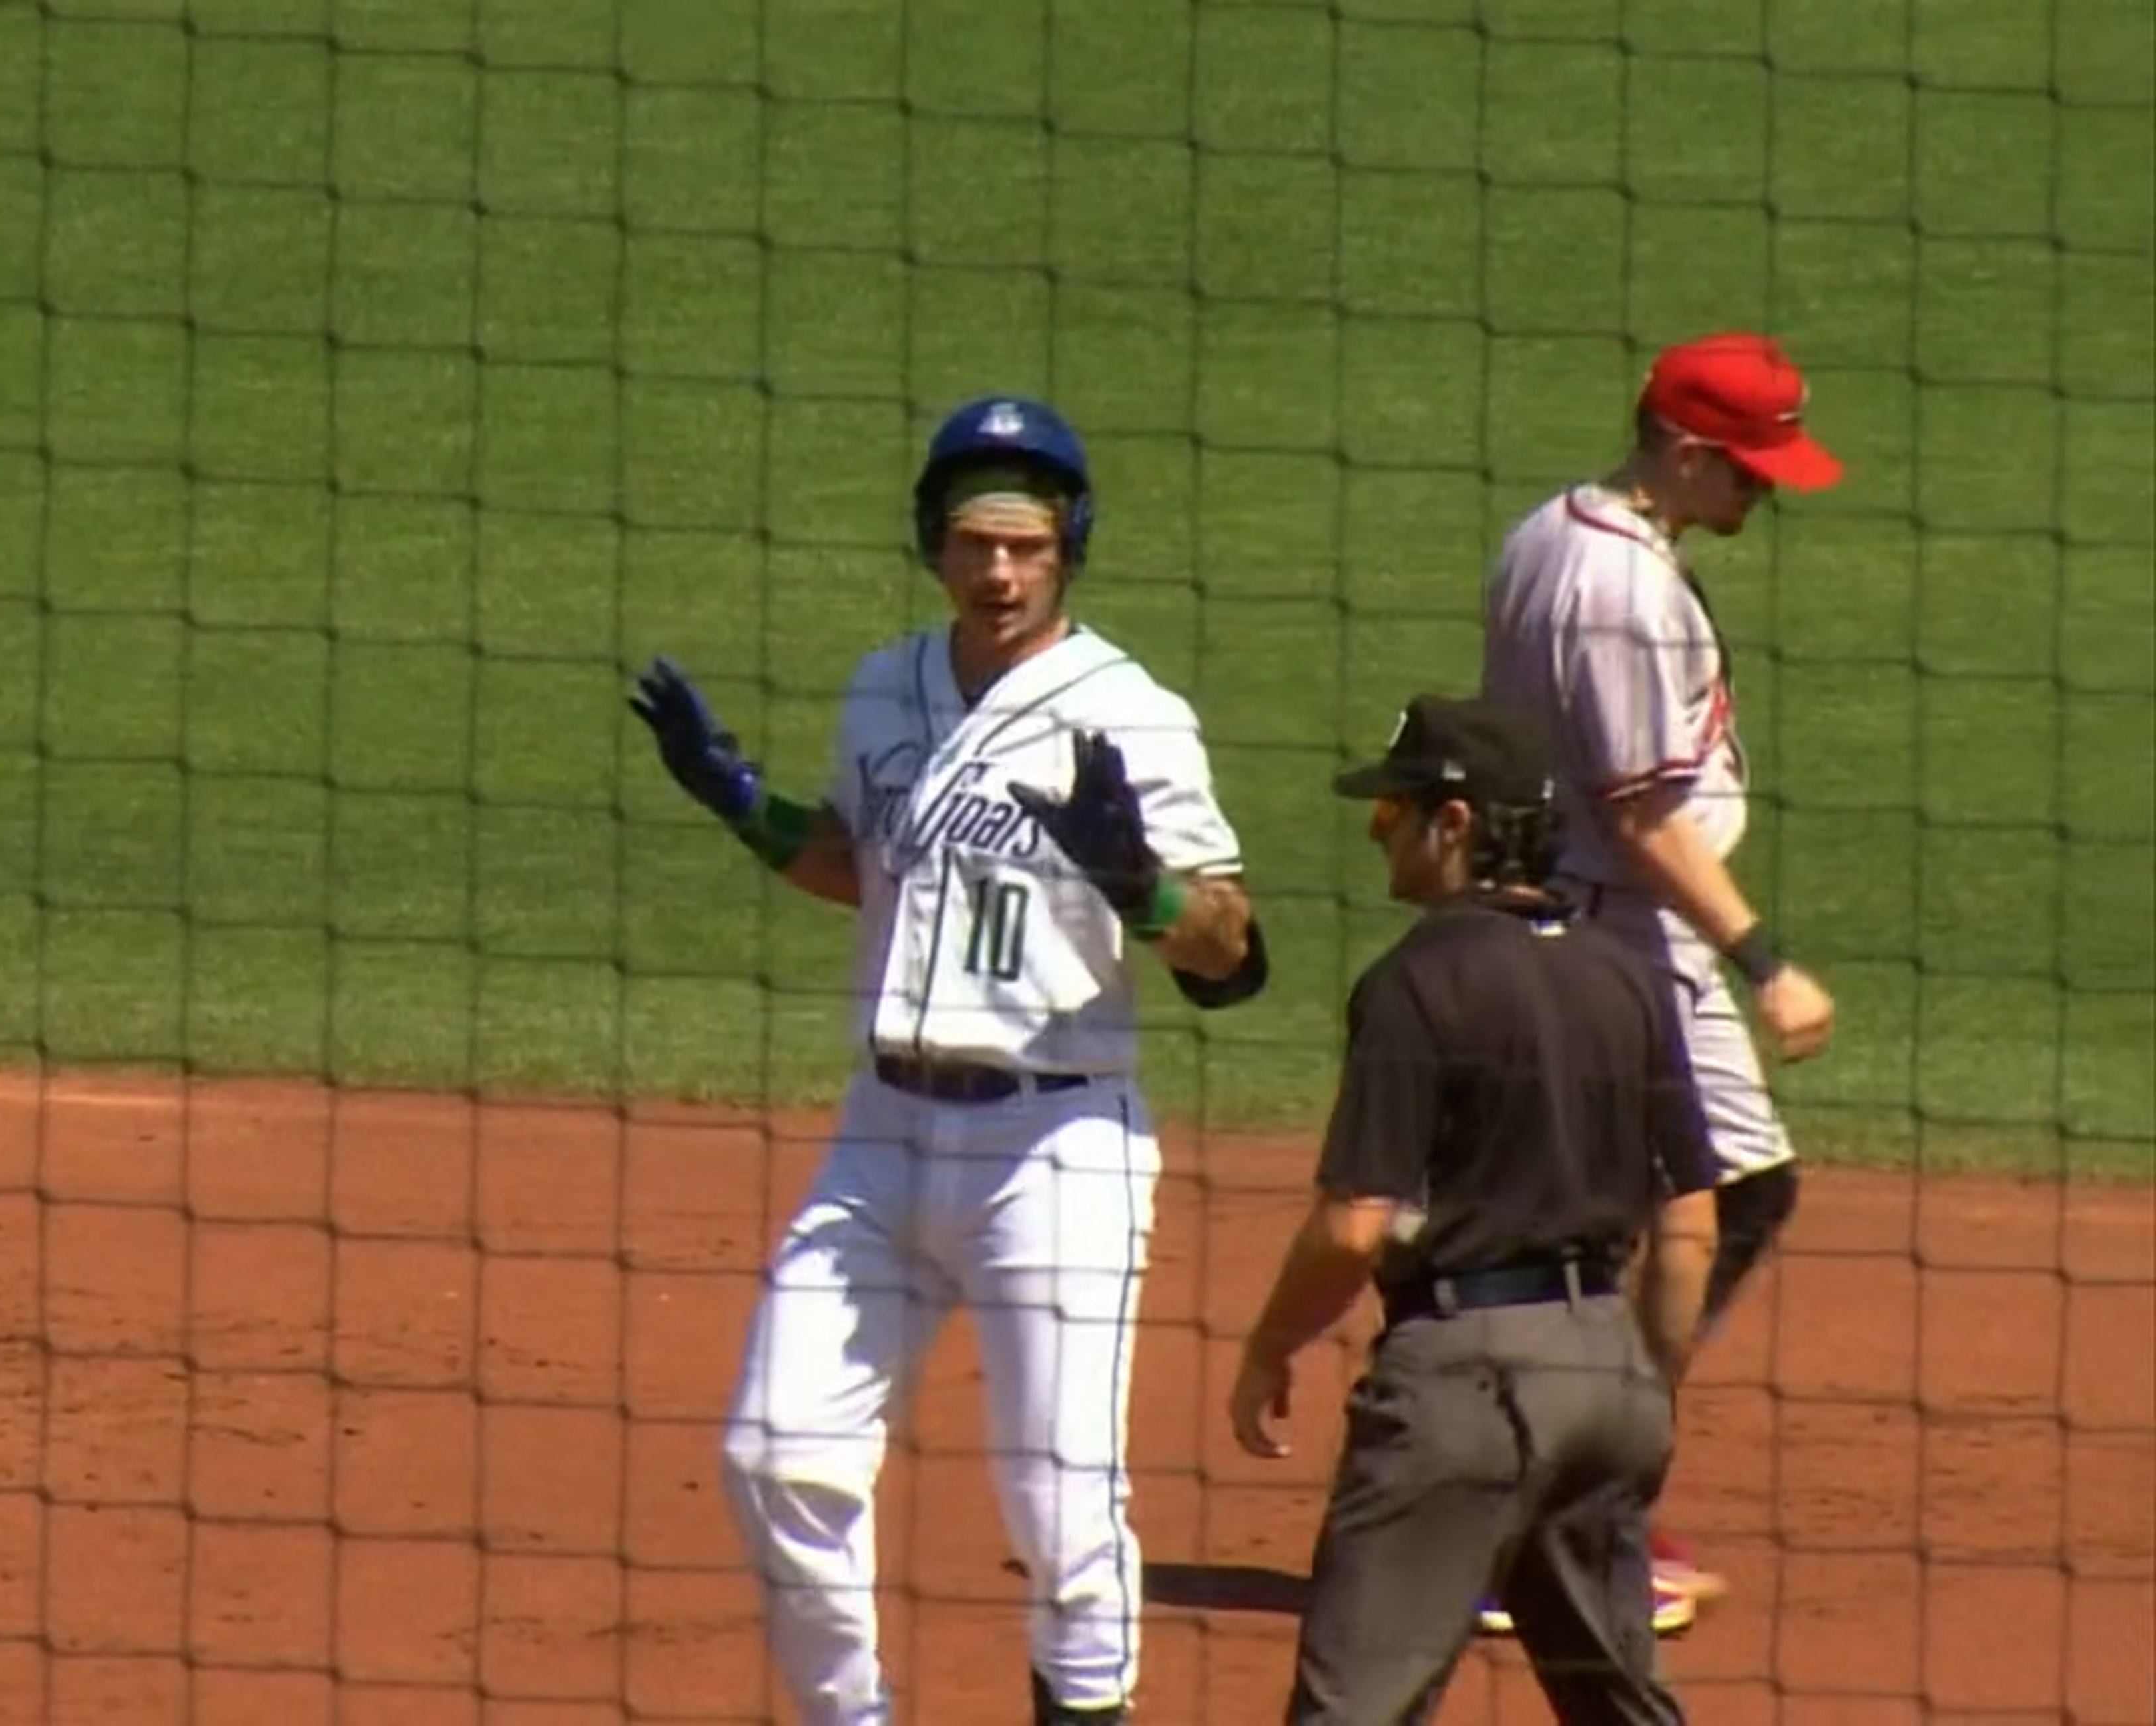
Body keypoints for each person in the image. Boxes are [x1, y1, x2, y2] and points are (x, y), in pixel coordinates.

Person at [624, 394, 1273, 1724]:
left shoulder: (1133, 714)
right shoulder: (883, 686)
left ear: (1069, 546)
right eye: (977, 542)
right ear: (935, 545)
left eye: (1027, 545)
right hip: (884, 1128)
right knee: (774, 1454)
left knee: (1063, 1504)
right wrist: (742, 804)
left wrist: (1138, 885)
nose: (1000, 571)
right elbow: (860, 869)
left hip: (1059, 1144)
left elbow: (1232, 951)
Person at [1227, 692, 1725, 1725]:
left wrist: (1270, 1345)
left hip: (1467, 1388)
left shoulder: (1416, 982)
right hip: (1607, 1381)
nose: (1381, 839)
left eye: (1390, 815)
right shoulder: (1630, 979)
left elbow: (1355, 1224)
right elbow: (1692, 1229)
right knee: (1623, 1709)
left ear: (1454, 824)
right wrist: (1635, 1383)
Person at [1476, 330, 1842, 1624]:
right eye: (1750, 472)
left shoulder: (1546, 535)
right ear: (1685, 453)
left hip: (1570, 918)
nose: (1764, 495)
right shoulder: (1620, 593)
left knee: (1610, 1216)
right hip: (1625, 934)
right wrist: (1768, 963)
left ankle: (1547, 1503)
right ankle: (1571, 1516)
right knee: (1719, 1201)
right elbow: (1643, 817)